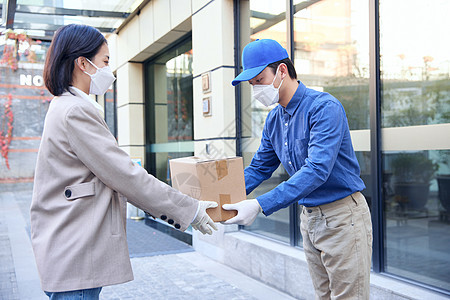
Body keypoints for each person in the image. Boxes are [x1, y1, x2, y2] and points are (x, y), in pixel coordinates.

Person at [30, 24, 217, 299]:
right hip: (77, 252)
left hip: (69, 249)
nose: (109, 71)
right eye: (105, 61)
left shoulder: (66, 106)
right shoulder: (75, 111)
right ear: (82, 63)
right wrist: (190, 210)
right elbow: (125, 175)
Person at [222, 39, 373, 299]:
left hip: (342, 217)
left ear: (282, 71)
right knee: (324, 296)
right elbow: (259, 168)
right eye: (252, 85)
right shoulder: (274, 120)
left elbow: (316, 170)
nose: (256, 89)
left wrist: (258, 205)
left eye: (259, 80)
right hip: (310, 218)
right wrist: (221, 198)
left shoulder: (323, 108)